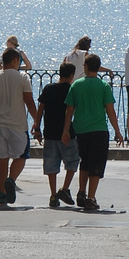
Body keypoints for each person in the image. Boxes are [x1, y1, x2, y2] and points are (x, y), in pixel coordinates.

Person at [62, 53, 124, 211]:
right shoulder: (103, 86)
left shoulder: (76, 85)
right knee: (96, 164)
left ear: (86, 67)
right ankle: (91, 197)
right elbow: (110, 111)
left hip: (80, 129)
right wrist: (117, 131)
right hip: (99, 129)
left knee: (85, 161)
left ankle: (81, 192)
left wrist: (65, 131)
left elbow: (69, 110)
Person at [0, 47, 38, 205]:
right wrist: (37, 121)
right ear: (15, 60)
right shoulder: (23, 77)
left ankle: (1, 192)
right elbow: (28, 101)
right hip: (18, 125)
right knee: (21, 156)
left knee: (2, 158)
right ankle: (11, 179)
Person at [33, 62, 80, 208]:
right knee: (72, 162)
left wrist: (37, 127)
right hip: (67, 133)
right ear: (72, 75)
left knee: (51, 165)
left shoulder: (49, 88)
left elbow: (41, 108)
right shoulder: (71, 89)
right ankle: (65, 188)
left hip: (50, 132)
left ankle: (53, 195)